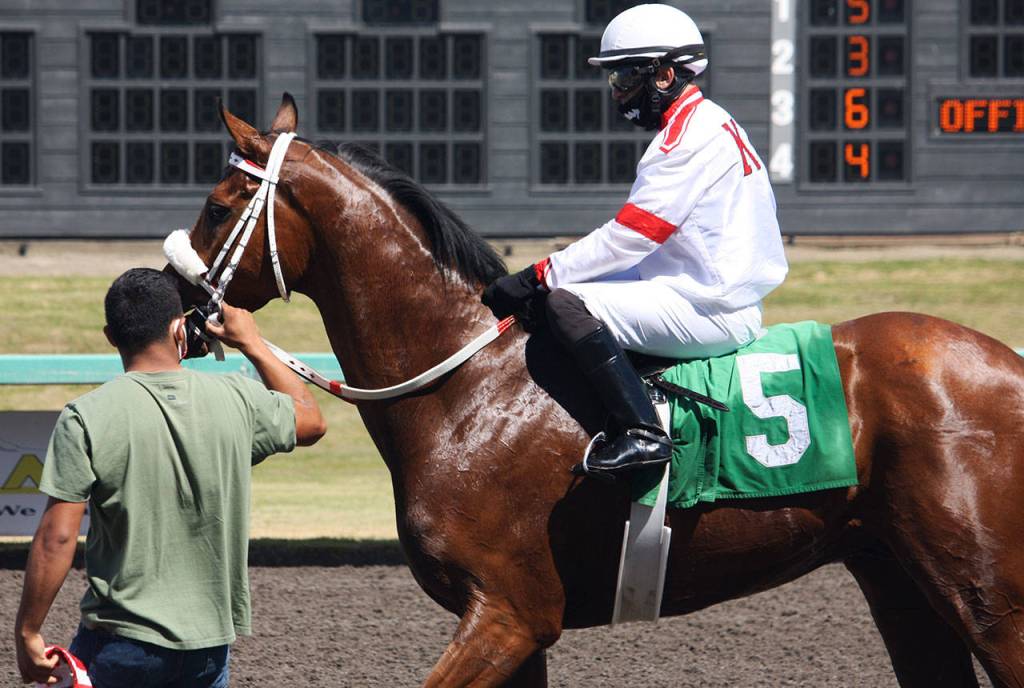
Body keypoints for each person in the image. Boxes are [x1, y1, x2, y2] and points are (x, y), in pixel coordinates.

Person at [483, 4, 788, 477]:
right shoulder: (707, 121)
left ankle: (644, 434)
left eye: (624, 78)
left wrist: (536, 275)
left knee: (566, 304)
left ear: (665, 74)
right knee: (556, 300)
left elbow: (630, 238)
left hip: (710, 307)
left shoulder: (686, 139)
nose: (617, 92)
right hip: (699, 287)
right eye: (614, 80)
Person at [14, 268, 326, 687]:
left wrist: (28, 631)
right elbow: (310, 419)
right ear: (180, 327)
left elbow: (57, 537)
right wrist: (252, 342)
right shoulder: (238, 398)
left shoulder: (85, 416)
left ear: (111, 336)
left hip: (120, 643)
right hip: (208, 651)